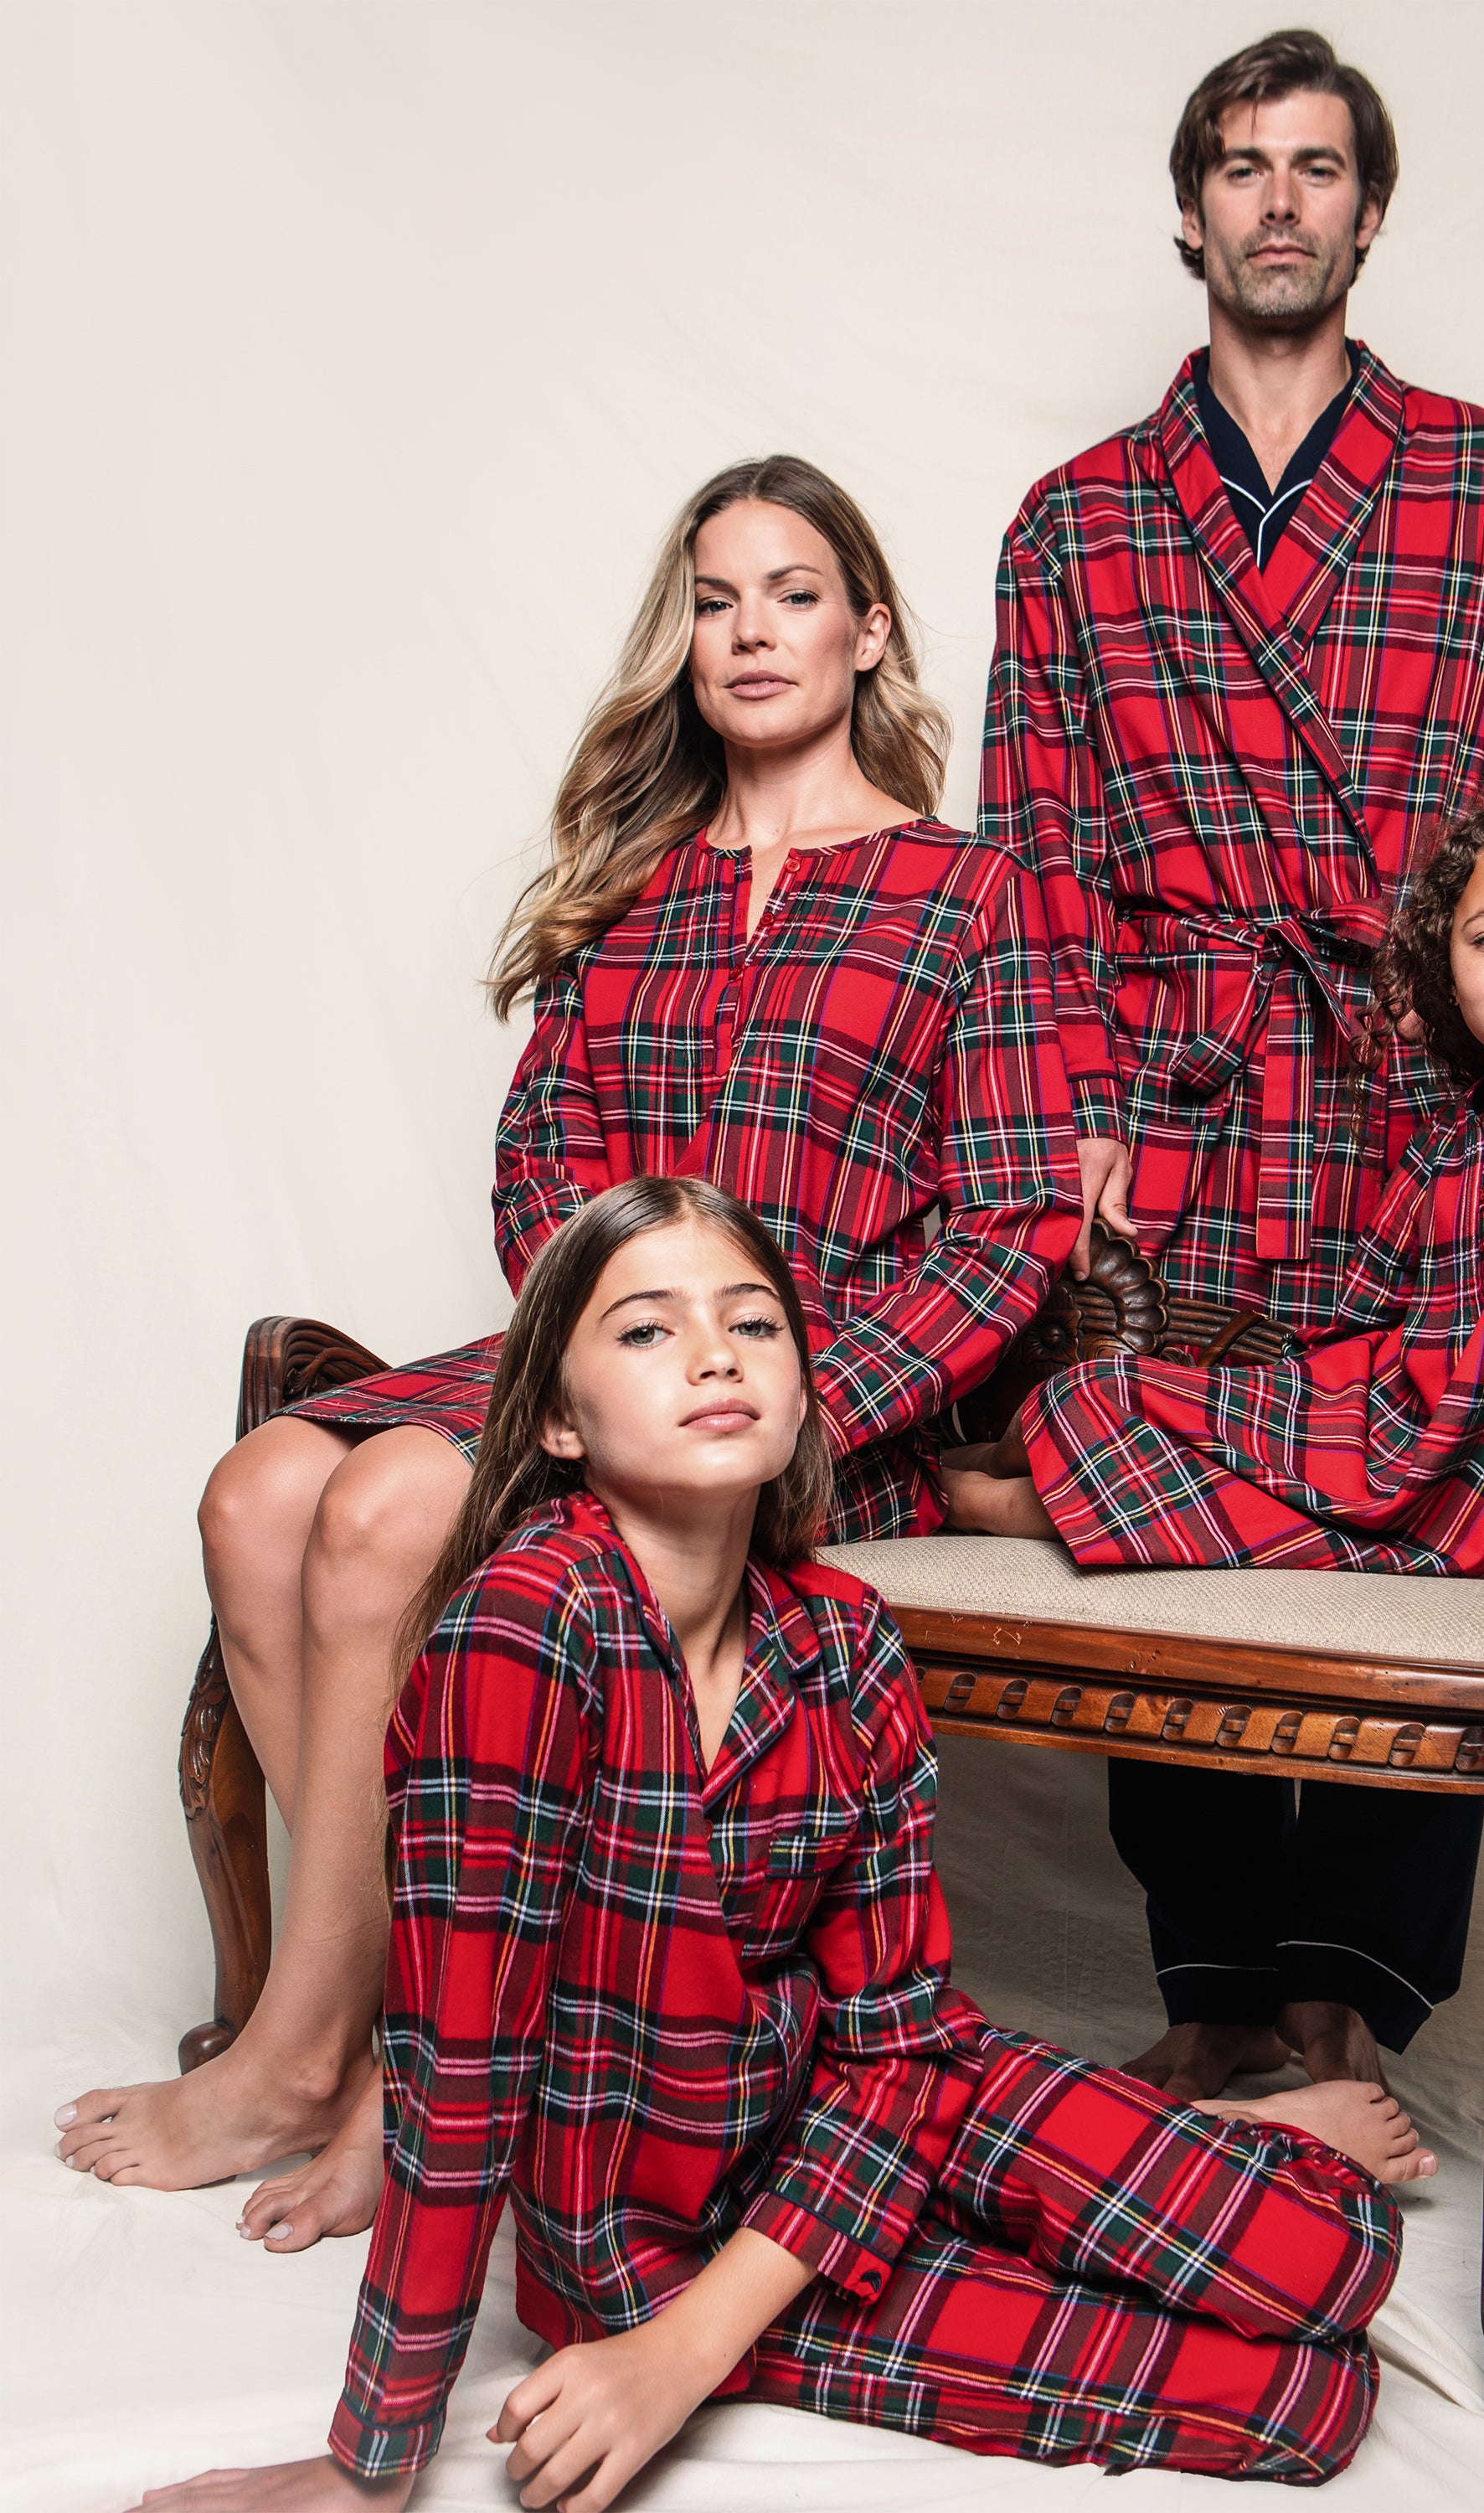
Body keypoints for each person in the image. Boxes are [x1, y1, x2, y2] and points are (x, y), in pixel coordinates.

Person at [56, 457, 1081, 2227]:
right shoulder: (636, 889)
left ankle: (330, 2064)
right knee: (257, 1490)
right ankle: (405, 2025)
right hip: (591, 1364)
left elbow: (1013, 1233)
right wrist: (594, 1358)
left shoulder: (966, 893)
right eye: (713, 599)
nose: (749, 631)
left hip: (807, 1395)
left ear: (871, 627)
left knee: (378, 1516)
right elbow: (543, 1159)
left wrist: (796, 1391)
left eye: (792, 591)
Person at [126, 1175, 1435, 2513]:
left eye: (753, 1326)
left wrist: (731, 2322)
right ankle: (1122, 2183)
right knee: (1307, 2402)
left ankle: (1170, 2157)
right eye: (646, 1331)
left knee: (1335, 2254)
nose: (712, 1356)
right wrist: (382, 2461)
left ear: (806, 1388)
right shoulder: (521, 1632)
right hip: (662, 2250)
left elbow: (897, 2048)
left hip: (876, 2115)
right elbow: (457, 2072)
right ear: (560, 1420)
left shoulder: (846, 1640)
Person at [977, 28, 1484, 2098]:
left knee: (1436, 1513)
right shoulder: (1071, 520)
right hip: (1189, 1106)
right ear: (1184, 210)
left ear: (1365, 215)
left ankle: (1342, 2000)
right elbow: (1030, 858)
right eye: (1236, 165)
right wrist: (1084, 1100)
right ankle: (1204, 1983)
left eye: (1312, 168)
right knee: (1159, 1511)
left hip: (1424, 1098)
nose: (1274, 200)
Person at [946, 785, 1484, 1582]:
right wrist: (1241, 1405)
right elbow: (1351, 1329)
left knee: (1098, 1437)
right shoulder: (1452, 1143)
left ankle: (960, 1498)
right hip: (1378, 1451)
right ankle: (973, 1463)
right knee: (1092, 1393)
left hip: (1477, 1503)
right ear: (1449, 961)